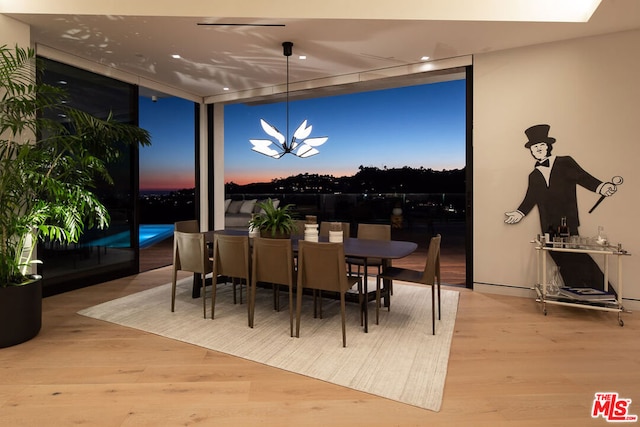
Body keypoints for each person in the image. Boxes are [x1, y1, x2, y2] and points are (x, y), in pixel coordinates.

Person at [504, 124, 619, 290]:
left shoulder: (565, 162)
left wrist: (601, 187)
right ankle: (575, 292)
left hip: (567, 221)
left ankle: (605, 293)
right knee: (559, 258)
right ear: (531, 150)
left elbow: (583, 177)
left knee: (577, 257)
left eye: (541, 145)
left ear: (548, 147)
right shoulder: (534, 175)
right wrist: (519, 213)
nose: (538, 149)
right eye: (535, 147)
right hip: (547, 224)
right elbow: (531, 198)